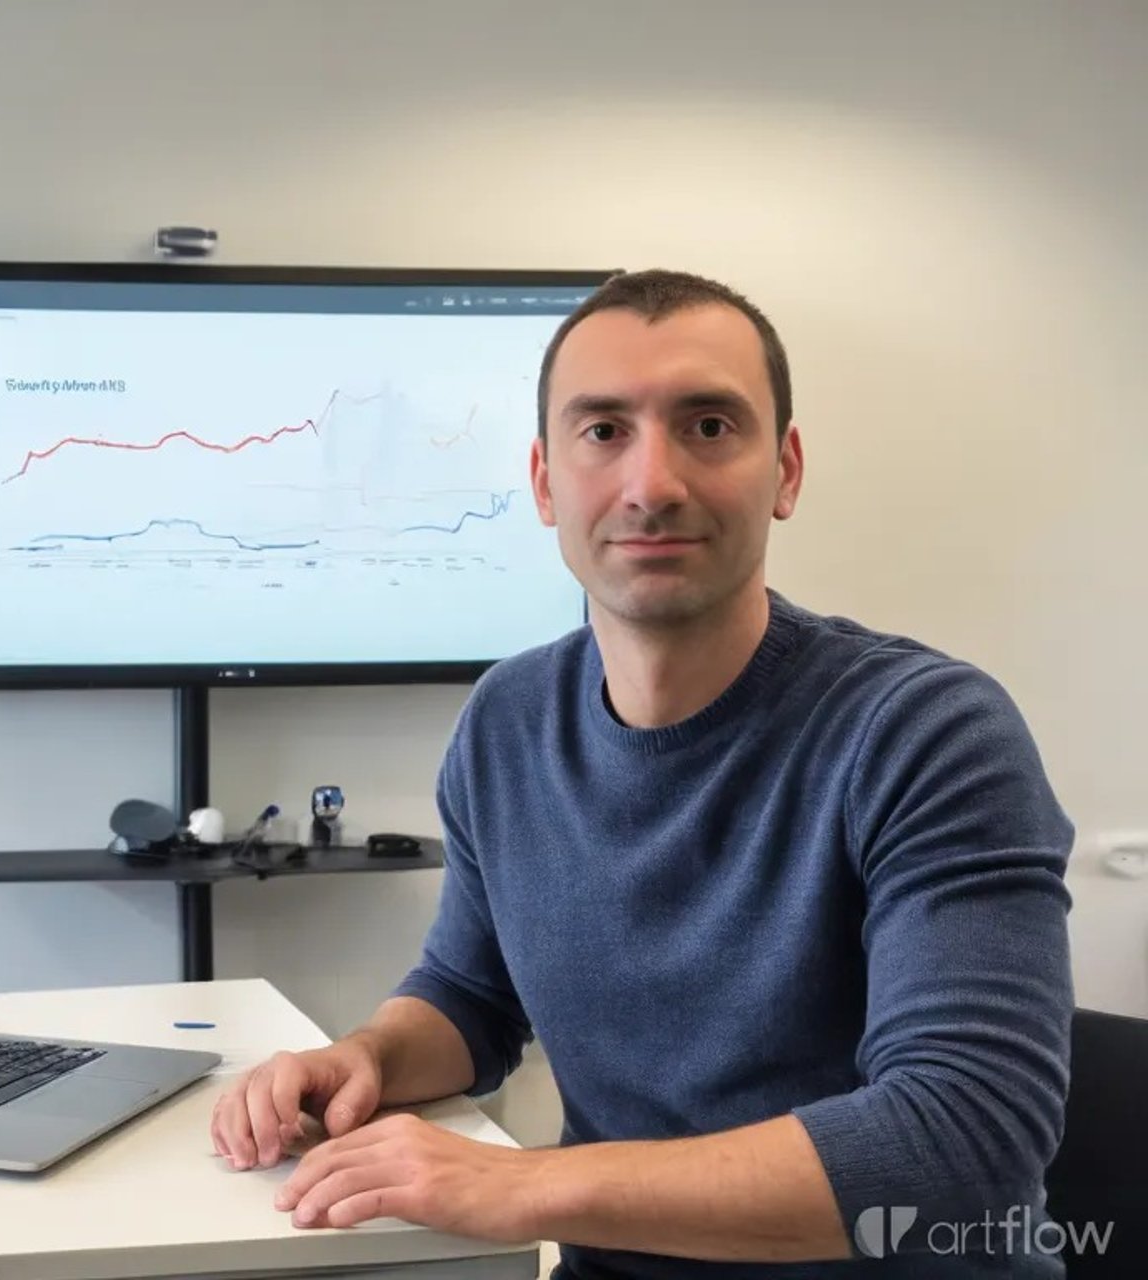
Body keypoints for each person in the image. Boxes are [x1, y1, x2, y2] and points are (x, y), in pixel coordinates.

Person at [209, 270, 1074, 1279]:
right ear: (544, 481)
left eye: (709, 425)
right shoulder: (508, 719)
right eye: (603, 430)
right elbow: (470, 992)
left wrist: (520, 1184)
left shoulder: (926, 732)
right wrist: (368, 1057)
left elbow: (960, 1138)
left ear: (785, 471)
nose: (652, 482)